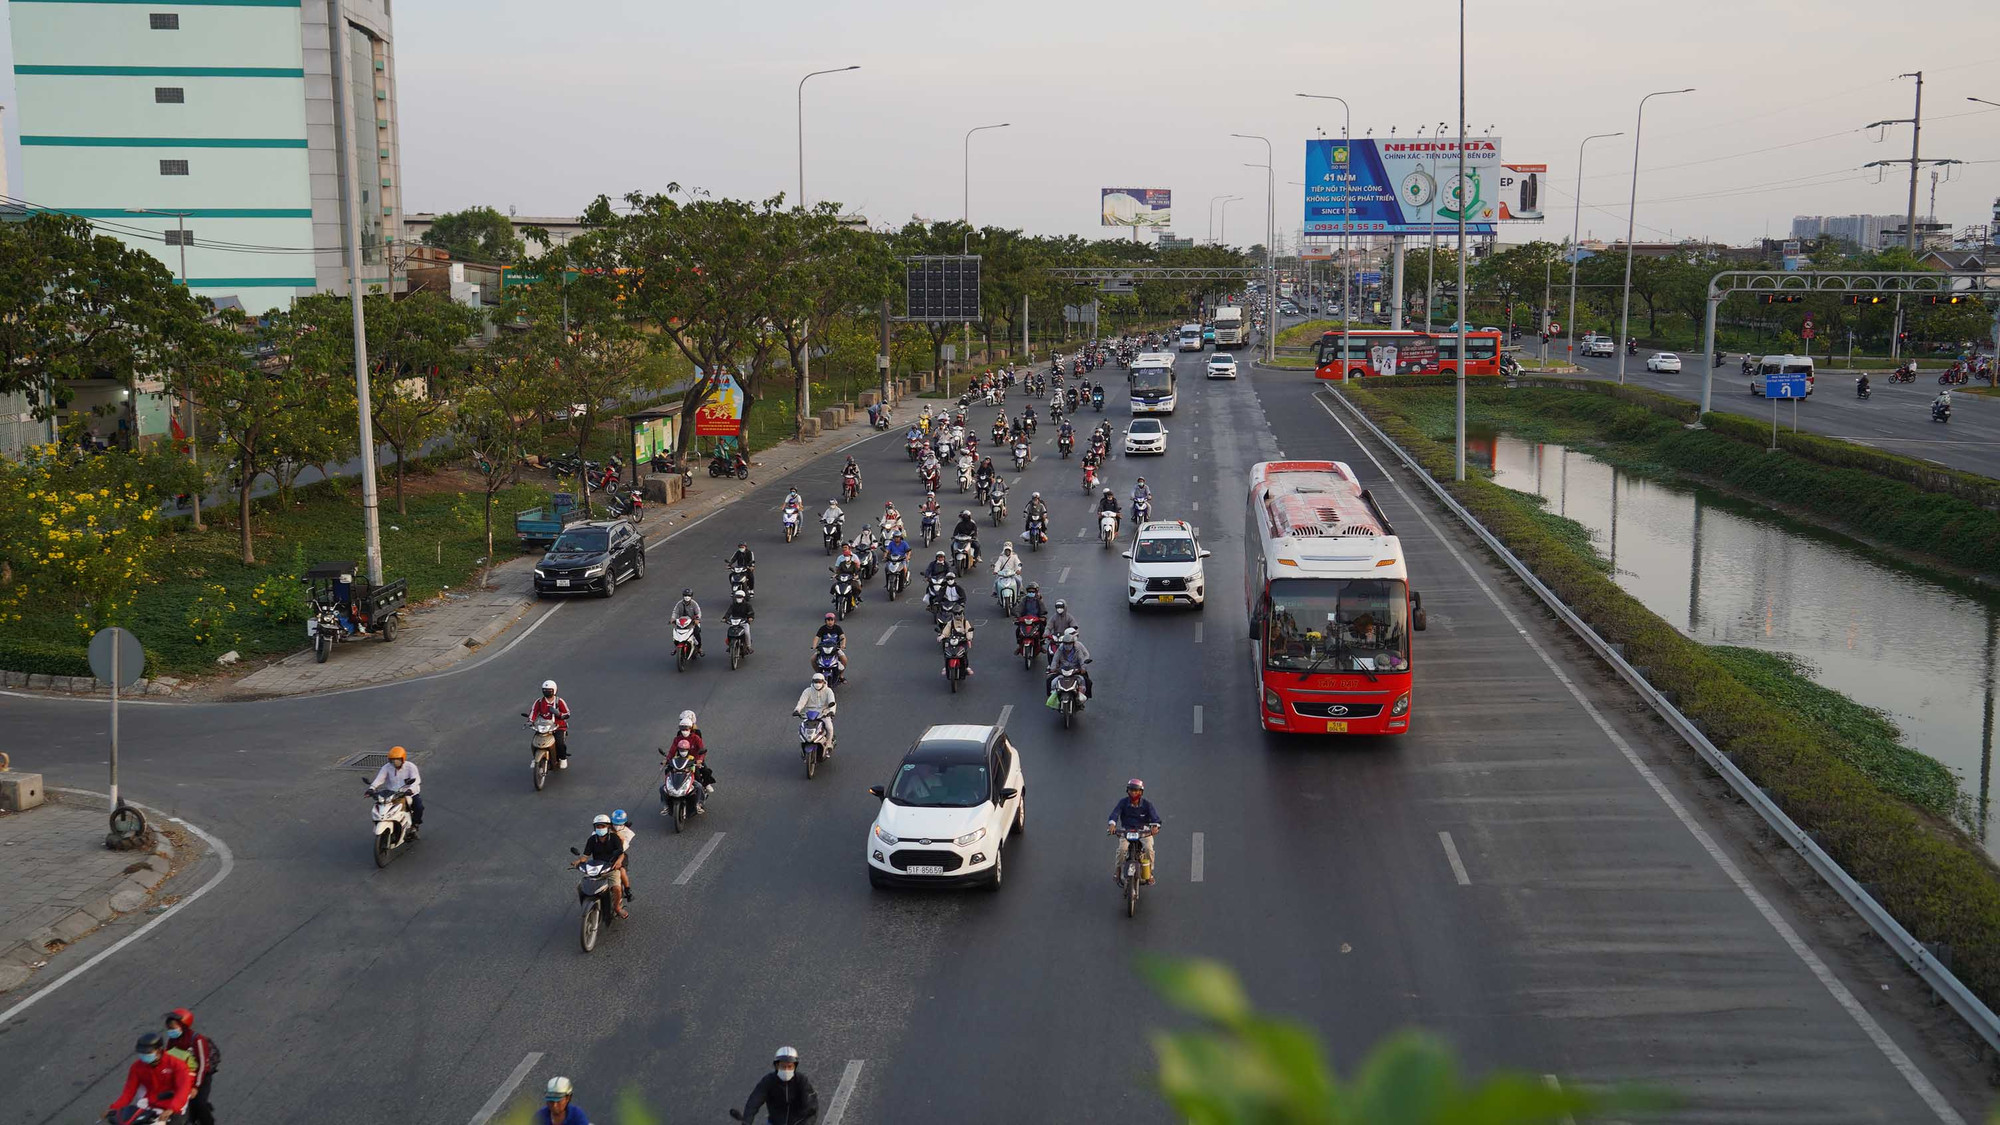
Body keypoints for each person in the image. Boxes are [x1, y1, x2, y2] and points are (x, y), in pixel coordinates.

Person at [106, 1032, 193, 1124]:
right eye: (141, 1053)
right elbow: (128, 1092)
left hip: (175, 1104)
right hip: (150, 1104)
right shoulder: (137, 1067)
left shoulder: (177, 1065)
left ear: (159, 1050)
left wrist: (172, 1109)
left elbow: (183, 1089)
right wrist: (114, 1109)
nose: (144, 1055)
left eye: (147, 1052)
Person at [163, 1009, 220, 1125]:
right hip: (181, 1077)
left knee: (199, 1103)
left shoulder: (197, 1040)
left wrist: (196, 1086)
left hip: (200, 1078)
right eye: (169, 1028)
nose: (170, 1031)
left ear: (183, 1025)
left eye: (173, 1027)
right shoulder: (172, 1040)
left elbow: (203, 1065)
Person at [741, 1046, 818, 1125]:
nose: (786, 1070)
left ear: (795, 1067)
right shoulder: (768, 1081)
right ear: (777, 1066)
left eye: (789, 1066)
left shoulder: (802, 1081)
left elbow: (811, 1107)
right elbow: (753, 1102)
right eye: (783, 1066)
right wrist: (746, 1121)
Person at [571, 813, 627, 918]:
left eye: (603, 826)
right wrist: (578, 861)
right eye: (598, 826)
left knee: (617, 888)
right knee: (581, 886)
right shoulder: (592, 840)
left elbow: (621, 853)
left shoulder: (614, 838)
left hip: (611, 867)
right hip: (596, 868)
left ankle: (617, 907)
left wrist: (619, 861)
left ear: (608, 826)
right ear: (595, 827)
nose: (600, 828)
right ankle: (586, 905)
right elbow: (586, 856)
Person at [1108, 779, 1162, 885]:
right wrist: (1112, 824)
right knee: (1122, 850)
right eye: (1131, 790)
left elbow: (1156, 819)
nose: (1133, 793)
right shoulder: (1123, 803)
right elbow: (1115, 814)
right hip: (1126, 829)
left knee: (1148, 849)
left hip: (1143, 830)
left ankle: (1149, 872)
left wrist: (1155, 827)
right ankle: (1118, 870)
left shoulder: (1147, 805)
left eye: (1136, 790)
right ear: (1128, 791)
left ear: (1141, 792)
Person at [367, 745, 422, 838]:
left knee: (418, 807)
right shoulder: (387, 767)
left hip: (408, 793)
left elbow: (416, 780)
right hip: (392, 793)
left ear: (402, 759)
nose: (394, 762)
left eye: (397, 760)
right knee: (381, 806)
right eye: (392, 760)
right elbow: (380, 779)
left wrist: (410, 789)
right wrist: (372, 788)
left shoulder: (410, 767)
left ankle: (414, 826)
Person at [528, 680, 573, 768]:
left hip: (558, 726)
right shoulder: (539, 701)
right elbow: (533, 711)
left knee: (559, 743)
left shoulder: (559, 701)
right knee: (535, 742)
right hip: (543, 726)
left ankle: (563, 758)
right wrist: (530, 721)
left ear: (554, 690)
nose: (547, 692)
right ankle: (535, 758)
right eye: (545, 690)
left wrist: (558, 714)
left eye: (549, 690)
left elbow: (567, 714)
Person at [793, 672, 838, 751]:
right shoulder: (807, 691)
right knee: (802, 728)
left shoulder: (828, 691)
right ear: (812, 682)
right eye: (815, 681)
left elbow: (832, 702)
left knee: (829, 728)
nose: (817, 683)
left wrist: (831, 711)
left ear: (823, 682)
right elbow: (802, 702)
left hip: (824, 714)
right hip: (809, 714)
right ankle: (805, 742)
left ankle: (828, 743)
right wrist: (797, 710)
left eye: (819, 682)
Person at [1046, 626, 1093, 701]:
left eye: (1069, 643)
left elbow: (1081, 658)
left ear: (1073, 643)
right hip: (1063, 669)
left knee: (1087, 681)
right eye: (1066, 643)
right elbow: (1055, 658)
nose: (1067, 646)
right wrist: (1053, 668)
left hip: (1075, 669)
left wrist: (1083, 668)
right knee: (1049, 681)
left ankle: (1085, 697)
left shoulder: (1077, 648)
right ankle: (1051, 697)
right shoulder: (1061, 649)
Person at [938, 607, 975, 676]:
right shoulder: (950, 623)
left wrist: (969, 637)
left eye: (959, 613)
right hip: (953, 640)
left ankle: (966, 667)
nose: (957, 615)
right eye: (955, 614)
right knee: (947, 653)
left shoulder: (965, 622)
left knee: (964, 654)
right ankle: (946, 667)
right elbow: (946, 631)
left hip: (962, 641)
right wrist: (942, 636)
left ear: (962, 613)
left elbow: (969, 630)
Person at [609, 809, 638, 897]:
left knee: (622, 871)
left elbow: (623, 847)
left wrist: (620, 837)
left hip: (620, 855)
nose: (617, 826)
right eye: (615, 824)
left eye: (619, 824)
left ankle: (627, 890)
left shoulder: (628, 833)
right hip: (605, 853)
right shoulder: (605, 828)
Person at [815, 612, 849, 677]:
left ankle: (841, 675)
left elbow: (843, 637)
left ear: (834, 621)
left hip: (835, 648)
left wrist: (843, 645)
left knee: (844, 659)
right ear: (825, 621)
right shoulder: (822, 628)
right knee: (813, 659)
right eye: (828, 620)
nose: (830, 622)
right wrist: (814, 645)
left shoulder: (838, 628)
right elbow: (816, 637)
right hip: (823, 648)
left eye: (831, 620)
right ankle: (818, 674)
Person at [674, 588, 704, 656]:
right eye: (685, 595)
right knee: (676, 633)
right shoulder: (679, 604)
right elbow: (675, 612)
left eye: (688, 595)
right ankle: (676, 647)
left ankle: (699, 648)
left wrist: (697, 619)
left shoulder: (694, 604)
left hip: (692, 622)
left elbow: (698, 613)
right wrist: (673, 619)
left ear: (691, 596)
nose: (687, 597)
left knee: (697, 633)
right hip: (682, 622)